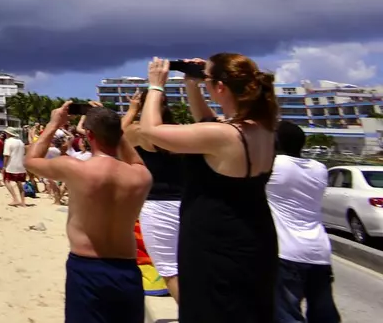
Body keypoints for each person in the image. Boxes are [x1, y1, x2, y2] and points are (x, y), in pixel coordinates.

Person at [136, 54, 278, 323]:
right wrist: (193, 84)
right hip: (252, 237)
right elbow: (207, 123)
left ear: (221, 87)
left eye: (208, 79)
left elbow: (150, 130)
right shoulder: (263, 129)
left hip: (217, 245)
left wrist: (156, 85)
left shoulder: (225, 135)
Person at [26, 103, 152, 323]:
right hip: (126, 268)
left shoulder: (76, 169)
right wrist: (113, 128)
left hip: (87, 267)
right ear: (118, 135)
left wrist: (54, 123)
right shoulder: (141, 176)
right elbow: (134, 159)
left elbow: (31, 161)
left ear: (89, 135)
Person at [267, 121, 339, 323]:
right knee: (323, 315)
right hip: (319, 252)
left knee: (287, 315)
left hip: (286, 252)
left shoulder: (273, 166)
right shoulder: (319, 168)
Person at [121, 88, 183, 302]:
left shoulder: (141, 133)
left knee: (170, 271)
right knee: (189, 265)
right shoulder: (179, 131)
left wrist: (132, 110)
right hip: (188, 203)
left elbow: (118, 136)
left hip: (157, 206)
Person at [1, 128, 30, 207]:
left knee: (6, 181)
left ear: (9, 134)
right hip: (21, 165)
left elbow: (6, 155)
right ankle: (23, 202)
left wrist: (4, 166)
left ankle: (15, 199)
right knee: (19, 183)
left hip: (11, 165)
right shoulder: (20, 142)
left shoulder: (8, 141)